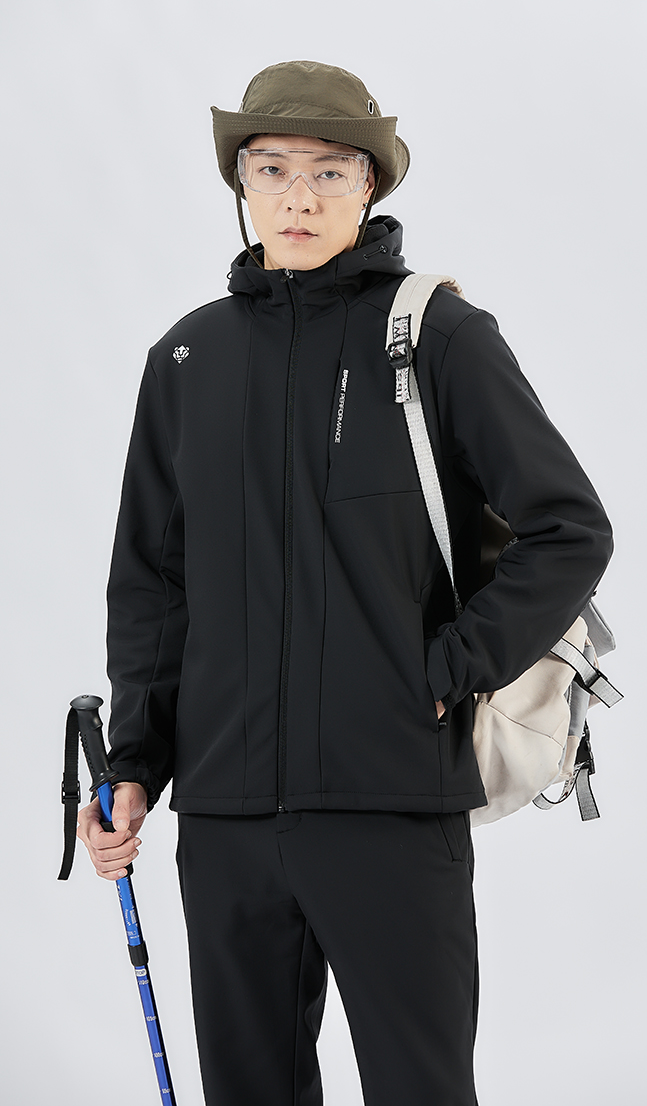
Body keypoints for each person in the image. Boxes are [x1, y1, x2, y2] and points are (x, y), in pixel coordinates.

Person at [78, 60, 614, 1106]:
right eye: (272, 168)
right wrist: (137, 760)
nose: (299, 196)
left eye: (329, 171)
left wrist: (447, 669)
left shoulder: (438, 338)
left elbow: (569, 529)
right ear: (240, 182)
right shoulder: (185, 358)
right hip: (225, 815)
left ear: (369, 185)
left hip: (389, 800)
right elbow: (152, 584)